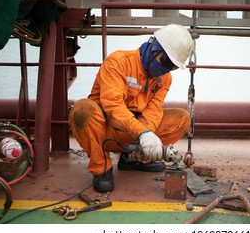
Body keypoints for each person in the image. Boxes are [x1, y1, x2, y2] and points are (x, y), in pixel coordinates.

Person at [69, 24, 194, 193]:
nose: (166, 69)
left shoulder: (164, 78)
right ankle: (102, 169)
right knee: (82, 110)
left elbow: (154, 110)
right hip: (106, 129)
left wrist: (147, 137)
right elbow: (113, 107)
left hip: (135, 133)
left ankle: (133, 158)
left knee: (181, 119)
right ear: (153, 48)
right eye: (165, 61)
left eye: (172, 66)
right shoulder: (118, 62)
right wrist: (142, 134)